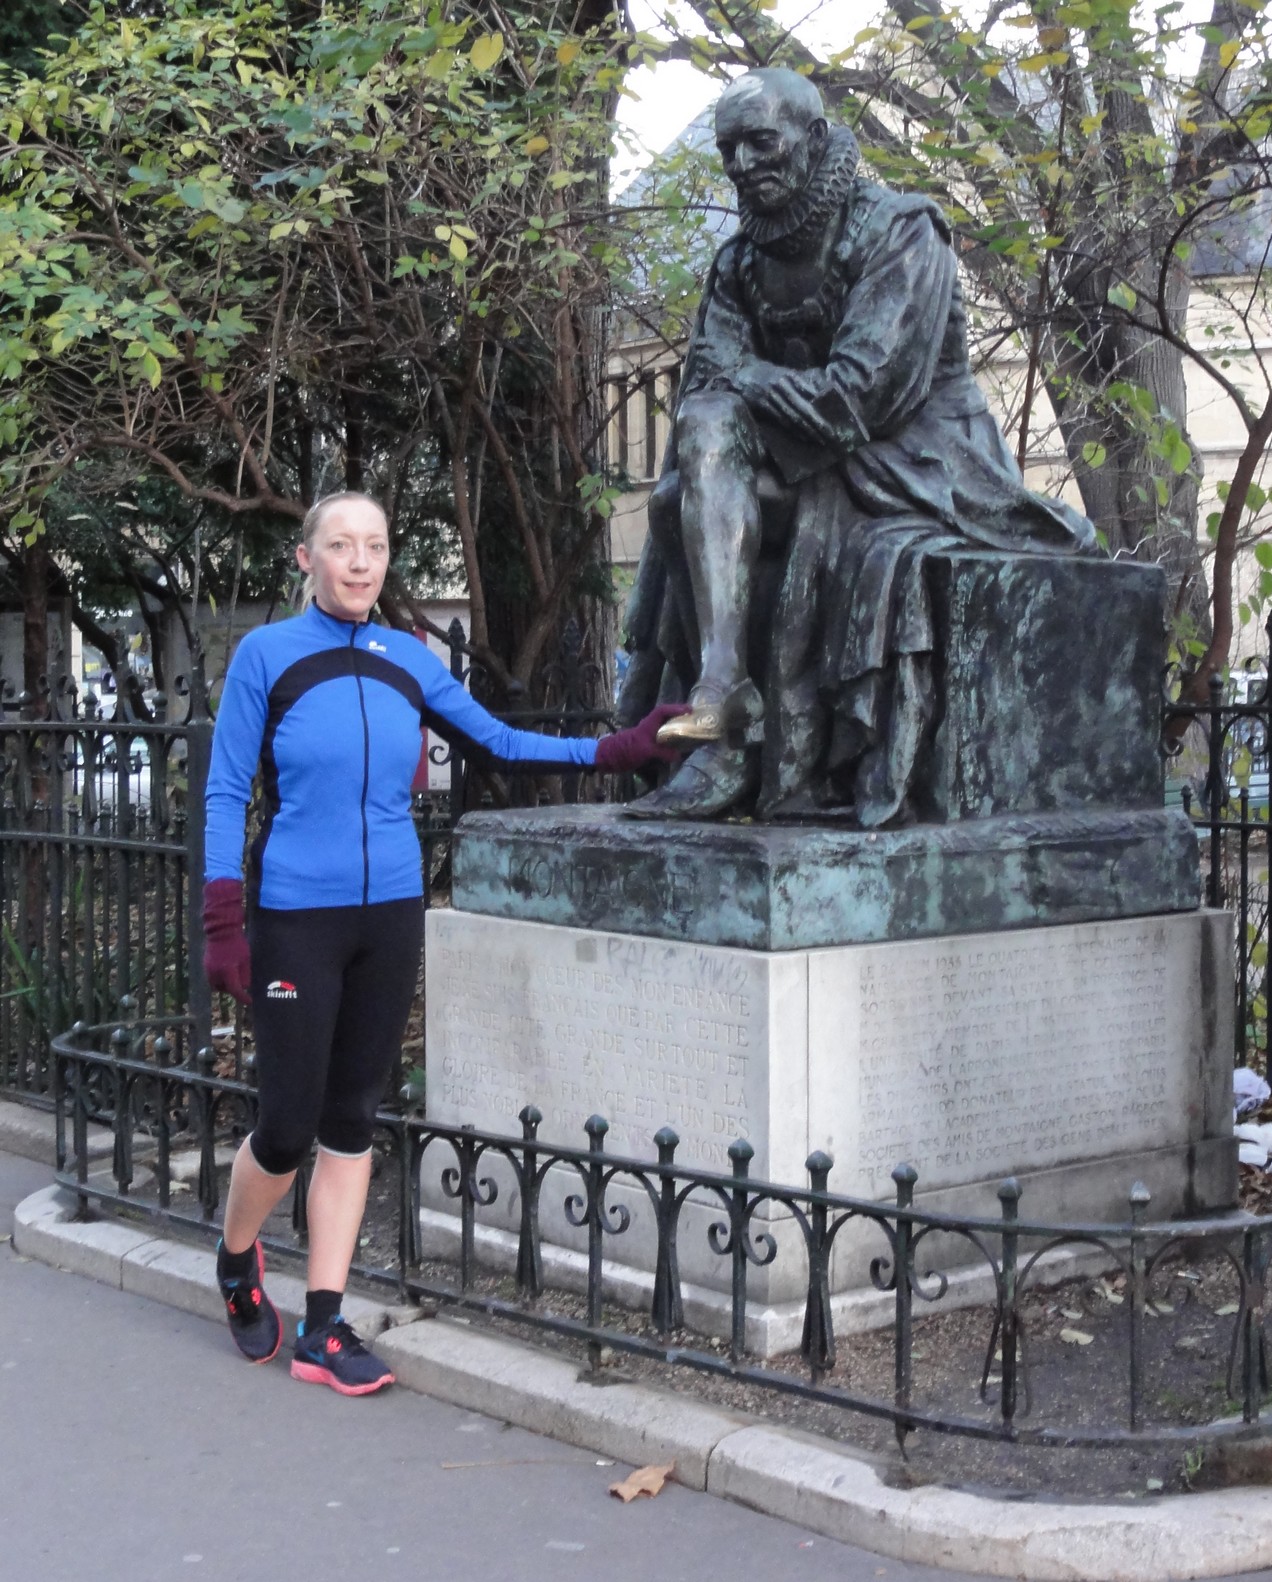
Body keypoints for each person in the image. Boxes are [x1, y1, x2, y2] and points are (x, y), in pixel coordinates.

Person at [201, 491, 682, 1395]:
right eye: (340, 545)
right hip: (296, 917)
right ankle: (236, 1258)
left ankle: (325, 1325)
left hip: (388, 915)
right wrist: (222, 921)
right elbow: (226, 793)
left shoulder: (405, 658)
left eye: (374, 546)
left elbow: (496, 742)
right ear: (305, 559)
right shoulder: (266, 658)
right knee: (285, 1126)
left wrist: (616, 752)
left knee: (350, 1124)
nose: (359, 561)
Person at [619, 68, 1095, 824]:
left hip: (919, 465)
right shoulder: (737, 263)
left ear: (812, 140)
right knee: (682, 481)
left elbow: (858, 398)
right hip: (804, 461)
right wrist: (733, 390)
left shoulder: (902, 230)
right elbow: (702, 399)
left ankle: (740, 730)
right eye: (729, 148)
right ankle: (721, 701)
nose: (743, 164)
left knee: (713, 445)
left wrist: (743, 376)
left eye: (760, 142)